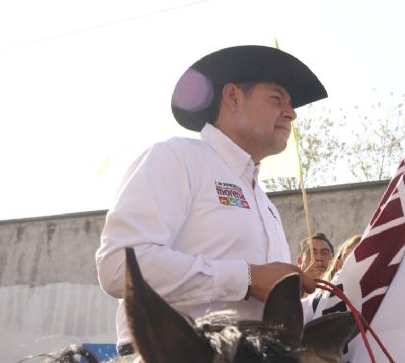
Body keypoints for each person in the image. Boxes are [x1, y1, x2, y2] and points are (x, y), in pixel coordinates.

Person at [95, 45, 328, 356]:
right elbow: (119, 267)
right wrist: (246, 278)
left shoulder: (266, 204)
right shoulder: (177, 157)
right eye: (276, 99)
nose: (292, 112)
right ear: (232, 97)